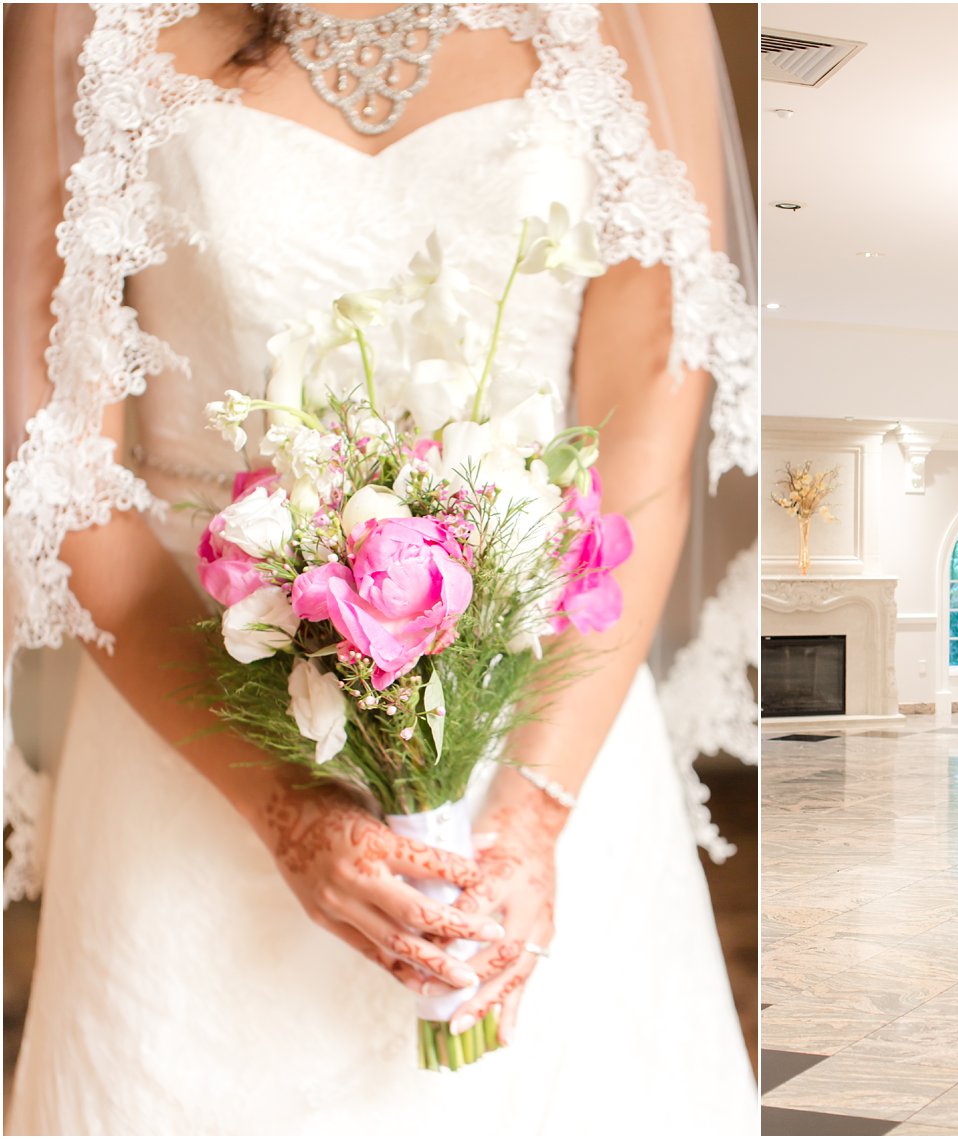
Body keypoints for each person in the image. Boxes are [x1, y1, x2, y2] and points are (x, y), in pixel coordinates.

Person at [3, 4, 757, 1133]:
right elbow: (55, 451)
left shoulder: (638, 13)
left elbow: (650, 383)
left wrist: (536, 811)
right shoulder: (84, 13)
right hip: (194, 720)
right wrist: (289, 812)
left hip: (545, 706)